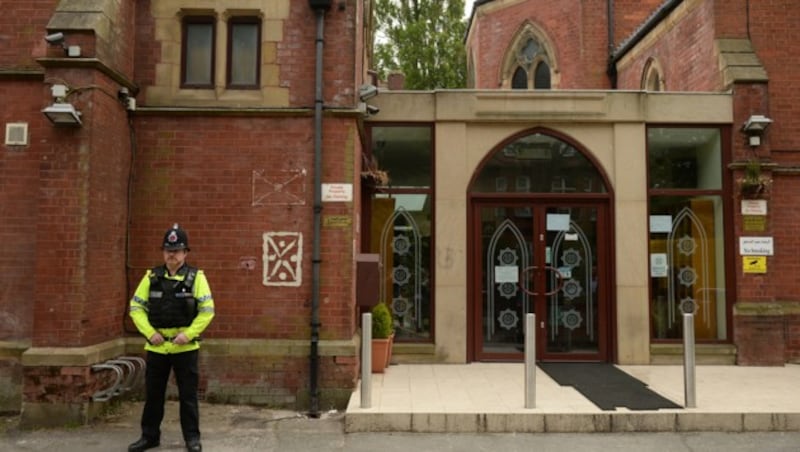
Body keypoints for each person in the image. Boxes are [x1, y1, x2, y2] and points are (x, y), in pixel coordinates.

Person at [128, 224, 215, 452]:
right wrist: (150, 333)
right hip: (157, 348)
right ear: (163, 252)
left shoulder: (197, 278)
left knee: (188, 397)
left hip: (185, 348)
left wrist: (188, 334)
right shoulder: (151, 277)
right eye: (168, 250)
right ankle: (149, 437)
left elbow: (207, 311)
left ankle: (192, 439)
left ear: (186, 252)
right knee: (153, 396)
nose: (172, 254)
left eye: (177, 250)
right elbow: (136, 308)